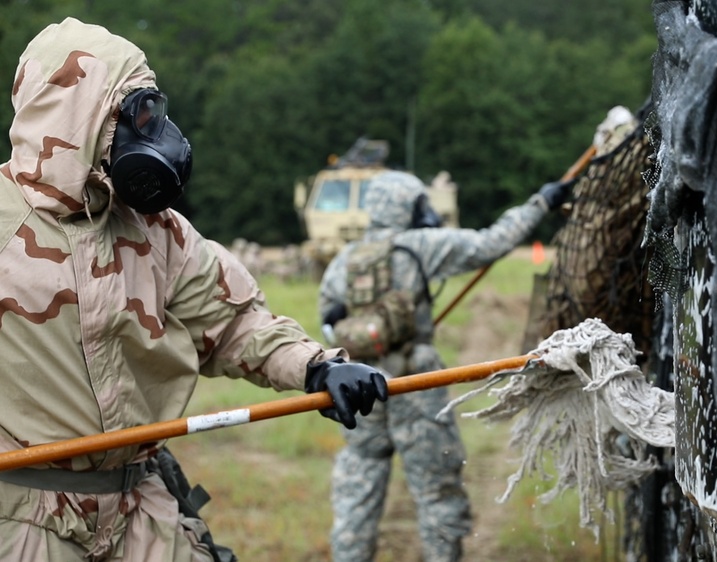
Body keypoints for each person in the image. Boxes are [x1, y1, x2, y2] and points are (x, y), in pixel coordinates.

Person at [0, 17, 387, 562]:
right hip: (24, 521)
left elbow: (233, 323)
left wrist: (316, 366)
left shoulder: (156, 231)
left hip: (138, 508)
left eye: (152, 111)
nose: (151, 130)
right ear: (77, 114)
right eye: (134, 112)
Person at [318, 169, 575, 561]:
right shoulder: (423, 245)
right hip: (414, 382)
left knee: (359, 481)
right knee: (436, 488)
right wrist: (540, 203)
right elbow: (493, 242)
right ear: (409, 206)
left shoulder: (343, 261)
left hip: (359, 386)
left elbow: (328, 324)